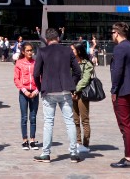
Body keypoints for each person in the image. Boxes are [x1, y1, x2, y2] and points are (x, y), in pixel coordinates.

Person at [31, 27, 81, 163]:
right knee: (70, 121)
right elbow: (77, 71)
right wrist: (72, 84)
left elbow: (35, 74)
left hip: (49, 90)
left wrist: (41, 87)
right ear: (58, 38)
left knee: (48, 122)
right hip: (65, 90)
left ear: (47, 40)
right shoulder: (67, 51)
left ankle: (46, 154)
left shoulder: (42, 51)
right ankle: (73, 153)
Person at [109, 22, 130, 168]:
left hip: (122, 90)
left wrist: (114, 90)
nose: (111, 35)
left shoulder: (119, 48)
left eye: (112, 32)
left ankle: (128, 157)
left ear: (116, 33)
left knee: (125, 125)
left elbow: (117, 71)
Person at [14, 41, 39, 150]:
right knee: (24, 117)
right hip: (24, 93)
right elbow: (16, 79)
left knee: (33, 117)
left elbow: (41, 78)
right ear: (23, 52)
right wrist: (24, 91)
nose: (30, 52)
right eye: (28, 51)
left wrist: (36, 91)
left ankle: (33, 140)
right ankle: (25, 140)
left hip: (34, 92)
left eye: (31, 50)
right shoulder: (19, 63)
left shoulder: (36, 63)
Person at [71, 42, 93, 153]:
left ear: (78, 51)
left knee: (84, 120)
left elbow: (85, 80)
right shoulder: (70, 63)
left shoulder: (87, 64)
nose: (71, 52)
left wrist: (76, 90)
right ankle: (78, 142)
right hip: (72, 93)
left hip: (83, 94)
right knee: (75, 120)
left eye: (73, 50)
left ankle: (86, 144)